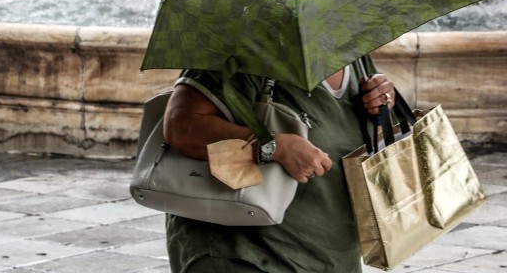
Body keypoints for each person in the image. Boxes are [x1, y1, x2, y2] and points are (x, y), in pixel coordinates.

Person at [162, 62, 398, 273]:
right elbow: (180, 125)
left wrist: (381, 97)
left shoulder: (349, 52)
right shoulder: (243, 43)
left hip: (328, 251)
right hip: (246, 253)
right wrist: (275, 146)